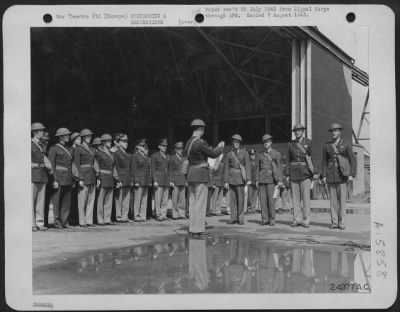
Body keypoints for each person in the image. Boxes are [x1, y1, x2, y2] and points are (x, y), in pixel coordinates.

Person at [183, 119, 224, 237]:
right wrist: (220, 147)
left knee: (192, 203)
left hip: (191, 175)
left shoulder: (188, 143)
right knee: (200, 203)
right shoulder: (200, 143)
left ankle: (192, 228)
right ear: (201, 129)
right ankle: (198, 230)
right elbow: (214, 154)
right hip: (201, 175)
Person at [322, 123, 356, 230]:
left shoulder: (346, 144)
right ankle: (334, 222)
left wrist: (351, 174)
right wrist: (323, 175)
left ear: (340, 132)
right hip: (331, 175)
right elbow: (324, 161)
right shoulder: (327, 145)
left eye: (336, 131)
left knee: (342, 201)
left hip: (342, 175)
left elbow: (352, 160)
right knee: (333, 202)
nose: (333, 133)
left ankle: (342, 222)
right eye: (332, 131)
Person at [286, 124, 318, 228]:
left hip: (305, 173)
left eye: (299, 130)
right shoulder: (290, 144)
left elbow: (312, 158)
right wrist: (287, 173)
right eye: (295, 131)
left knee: (306, 198)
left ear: (302, 131)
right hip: (294, 173)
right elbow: (288, 160)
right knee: (295, 198)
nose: (297, 132)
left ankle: (306, 220)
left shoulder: (308, 142)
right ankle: (296, 219)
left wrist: (315, 172)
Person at [48, 127, 73, 229]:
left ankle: (64, 220)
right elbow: (52, 165)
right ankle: (57, 221)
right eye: (66, 135)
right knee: (57, 201)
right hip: (59, 178)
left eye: (68, 135)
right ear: (61, 137)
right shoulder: (53, 149)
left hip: (68, 178)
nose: (68, 137)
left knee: (66, 202)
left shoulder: (68, 149)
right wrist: (54, 179)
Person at [256, 134, 284, 226]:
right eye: (264, 142)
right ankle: (265, 219)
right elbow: (257, 168)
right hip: (261, 179)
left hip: (271, 179)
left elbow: (279, 168)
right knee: (263, 201)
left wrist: (280, 180)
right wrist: (257, 179)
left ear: (271, 142)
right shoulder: (260, 154)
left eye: (267, 142)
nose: (266, 144)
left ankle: (272, 219)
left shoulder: (276, 154)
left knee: (271, 201)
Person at [224, 134, 251, 225]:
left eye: (238, 142)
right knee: (232, 200)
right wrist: (225, 181)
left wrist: (248, 179)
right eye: (235, 142)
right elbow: (226, 168)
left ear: (240, 143)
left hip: (240, 178)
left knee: (241, 199)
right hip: (231, 178)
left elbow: (247, 166)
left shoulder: (245, 153)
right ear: (232, 143)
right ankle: (233, 218)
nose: (236, 144)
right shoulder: (228, 154)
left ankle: (240, 218)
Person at [74, 128, 98, 227]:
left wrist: (97, 176)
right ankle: (82, 221)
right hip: (83, 176)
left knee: (91, 200)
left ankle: (89, 220)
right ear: (83, 138)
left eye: (90, 136)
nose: (89, 138)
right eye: (87, 136)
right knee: (82, 201)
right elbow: (76, 164)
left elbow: (94, 164)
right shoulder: (78, 149)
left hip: (92, 176)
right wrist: (80, 178)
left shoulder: (92, 149)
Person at [31, 122, 51, 231]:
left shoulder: (41, 145)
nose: (43, 133)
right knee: (31, 201)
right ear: (35, 132)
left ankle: (39, 222)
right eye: (41, 131)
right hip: (33, 174)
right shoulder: (29, 144)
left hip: (42, 174)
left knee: (40, 201)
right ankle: (32, 223)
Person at [95, 134, 117, 225]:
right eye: (108, 141)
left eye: (110, 141)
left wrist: (116, 179)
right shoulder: (98, 153)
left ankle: (107, 218)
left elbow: (114, 167)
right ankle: (100, 219)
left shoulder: (111, 154)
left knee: (109, 199)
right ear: (103, 143)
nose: (110, 143)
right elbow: (97, 166)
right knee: (101, 199)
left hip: (110, 177)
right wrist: (98, 178)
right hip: (103, 176)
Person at [113, 133, 133, 223]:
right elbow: (116, 167)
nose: (126, 143)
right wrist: (118, 180)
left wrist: (131, 179)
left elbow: (130, 168)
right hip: (121, 177)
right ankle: (119, 216)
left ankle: (125, 216)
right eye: (124, 141)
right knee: (119, 198)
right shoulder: (116, 153)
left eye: (127, 141)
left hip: (128, 177)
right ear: (118, 143)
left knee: (126, 198)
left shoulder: (128, 154)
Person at [131, 138, 151, 222]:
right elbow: (134, 169)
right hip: (139, 179)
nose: (143, 147)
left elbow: (148, 169)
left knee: (144, 198)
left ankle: (143, 215)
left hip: (145, 179)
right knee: (137, 199)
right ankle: (136, 215)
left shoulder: (146, 156)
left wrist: (149, 181)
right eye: (142, 145)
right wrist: (135, 181)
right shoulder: (135, 156)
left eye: (144, 145)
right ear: (137, 147)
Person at [151, 138, 170, 221]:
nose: (165, 147)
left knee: (165, 199)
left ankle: (163, 214)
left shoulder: (167, 156)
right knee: (158, 199)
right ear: (159, 146)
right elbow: (153, 169)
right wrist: (154, 180)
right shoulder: (155, 156)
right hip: (158, 178)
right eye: (163, 146)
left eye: (166, 146)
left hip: (166, 179)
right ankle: (158, 214)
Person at [168, 142, 187, 220]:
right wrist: (171, 180)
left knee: (182, 199)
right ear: (175, 150)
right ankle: (175, 214)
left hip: (182, 179)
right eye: (178, 149)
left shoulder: (184, 158)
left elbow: (186, 170)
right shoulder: (172, 158)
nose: (180, 150)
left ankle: (181, 214)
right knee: (175, 198)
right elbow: (170, 170)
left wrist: (186, 180)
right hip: (175, 179)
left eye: (181, 148)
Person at [68, 132, 81, 226]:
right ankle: (72, 219)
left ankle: (76, 219)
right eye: (78, 139)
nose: (80, 140)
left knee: (77, 199)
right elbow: (71, 164)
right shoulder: (71, 150)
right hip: (73, 176)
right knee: (72, 199)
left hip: (78, 175)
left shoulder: (79, 149)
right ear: (73, 140)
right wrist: (73, 177)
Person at [247, 149, 258, 214]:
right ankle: (249, 208)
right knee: (249, 196)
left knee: (254, 195)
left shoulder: (256, 162)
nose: (253, 156)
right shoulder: (248, 162)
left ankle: (253, 208)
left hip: (255, 180)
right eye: (251, 155)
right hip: (250, 180)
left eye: (253, 155)